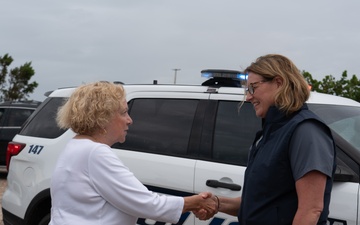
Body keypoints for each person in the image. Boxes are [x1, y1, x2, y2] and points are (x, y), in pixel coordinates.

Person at [49, 81, 217, 225]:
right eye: (123, 112)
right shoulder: (96, 153)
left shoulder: (75, 145)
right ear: (101, 118)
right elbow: (148, 204)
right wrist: (195, 202)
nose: (130, 120)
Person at [196, 54, 336, 225]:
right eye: (247, 90)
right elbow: (262, 204)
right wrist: (217, 203)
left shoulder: (306, 131)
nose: (248, 97)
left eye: (253, 88)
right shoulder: (269, 133)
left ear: (279, 82)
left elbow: (311, 210)